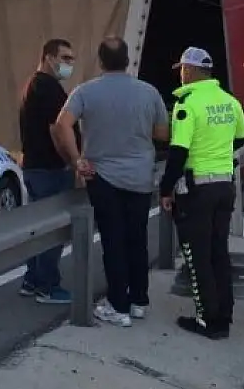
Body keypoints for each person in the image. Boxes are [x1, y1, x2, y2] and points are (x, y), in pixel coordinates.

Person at [52, 36, 169, 327]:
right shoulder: (149, 92)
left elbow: (62, 124)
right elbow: (162, 134)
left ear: (101, 61)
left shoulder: (85, 92)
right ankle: (139, 300)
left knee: (113, 240)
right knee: (137, 238)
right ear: (127, 60)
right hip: (141, 176)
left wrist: (78, 158)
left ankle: (118, 306)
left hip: (102, 177)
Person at [159, 47, 244, 340]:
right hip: (225, 186)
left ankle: (207, 320)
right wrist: (218, 153)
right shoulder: (229, 101)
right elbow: (243, 136)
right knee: (218, 252)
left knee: (197, 256)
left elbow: (178, 151)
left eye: (182, 69)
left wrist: (165, 188)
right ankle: (224, 315)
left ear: (190, 70)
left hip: (197, 189)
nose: (181, 74)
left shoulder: (187, 104)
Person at [18, 38, 78, 303]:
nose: (69, 64)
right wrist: (73, 161)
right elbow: (58, 131)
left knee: (38, 228)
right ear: (49, 57)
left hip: (34, 167)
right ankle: (48, 286)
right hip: (50, 169)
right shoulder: (50, 88)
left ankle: (32, 280)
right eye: (65, 58)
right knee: (53, 230)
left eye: (71, 59)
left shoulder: (33, 85)